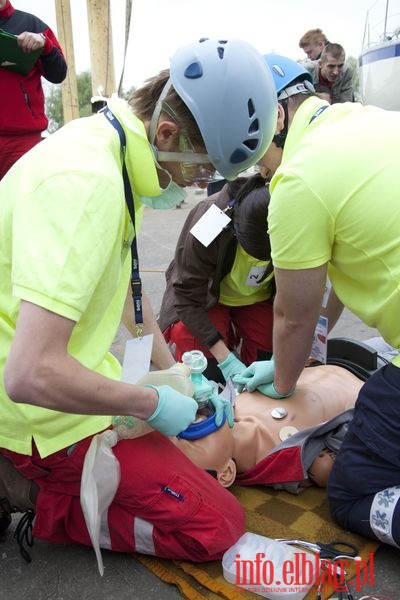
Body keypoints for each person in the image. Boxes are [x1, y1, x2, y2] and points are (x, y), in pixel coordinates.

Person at [0, 38, 278, 562]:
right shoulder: (88, 183)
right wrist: (150, 402)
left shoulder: (114, 155)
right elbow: (30, 373)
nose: (197, 188)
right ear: (167, 132)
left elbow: (129, 294)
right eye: (199, 172)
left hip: (58, 380)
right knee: (214, 528)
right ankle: (34, 494)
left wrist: (179, 375)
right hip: (33, 413)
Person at [236, 51, 400, 549]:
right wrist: (314, 343)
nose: (264, 176)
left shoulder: (299, 177)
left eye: (258, 157)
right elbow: (352, 269)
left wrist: (283, 382)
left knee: (351, 492)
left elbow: (292, 314)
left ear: (277, 118)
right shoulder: (370, 120)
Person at [171, 363, 362, 492]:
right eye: (195, 443)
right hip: (369, 393)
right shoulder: (284, 460)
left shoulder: (225, 403)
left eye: (176, 432)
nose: (187, 430)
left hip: (325, 365)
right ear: (226, 473)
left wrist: (281, 361)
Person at [159, 174, 274, 384]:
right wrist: (225, 359)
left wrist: (282, 355)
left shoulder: (296, 222)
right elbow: (186, 297)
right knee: (206, 369)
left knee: (266, 359)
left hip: (259, 299)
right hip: (208, 298)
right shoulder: (211, 221)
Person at [0, 0, 67, 179]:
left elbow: (59, 74)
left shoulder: (31, 25)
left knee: (22, 203)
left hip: (21, 142)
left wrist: (45, 46)